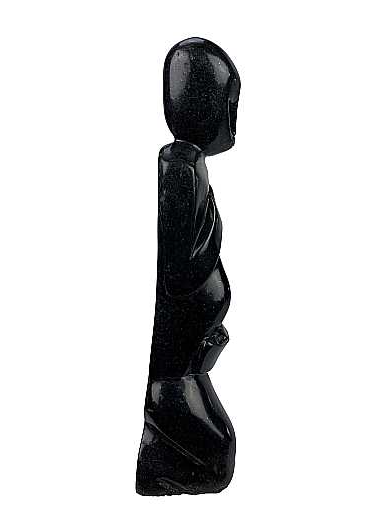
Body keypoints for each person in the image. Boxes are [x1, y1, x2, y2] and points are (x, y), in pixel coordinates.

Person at [136, 37, 241, 496]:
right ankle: (158, 467)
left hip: (187, 365)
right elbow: (179, 271)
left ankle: (161, 460)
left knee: (219, 449)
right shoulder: (179, 166)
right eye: (229, 103)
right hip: (174, 377)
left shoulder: (190, 163)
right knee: (219, 453)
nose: (234, 118)